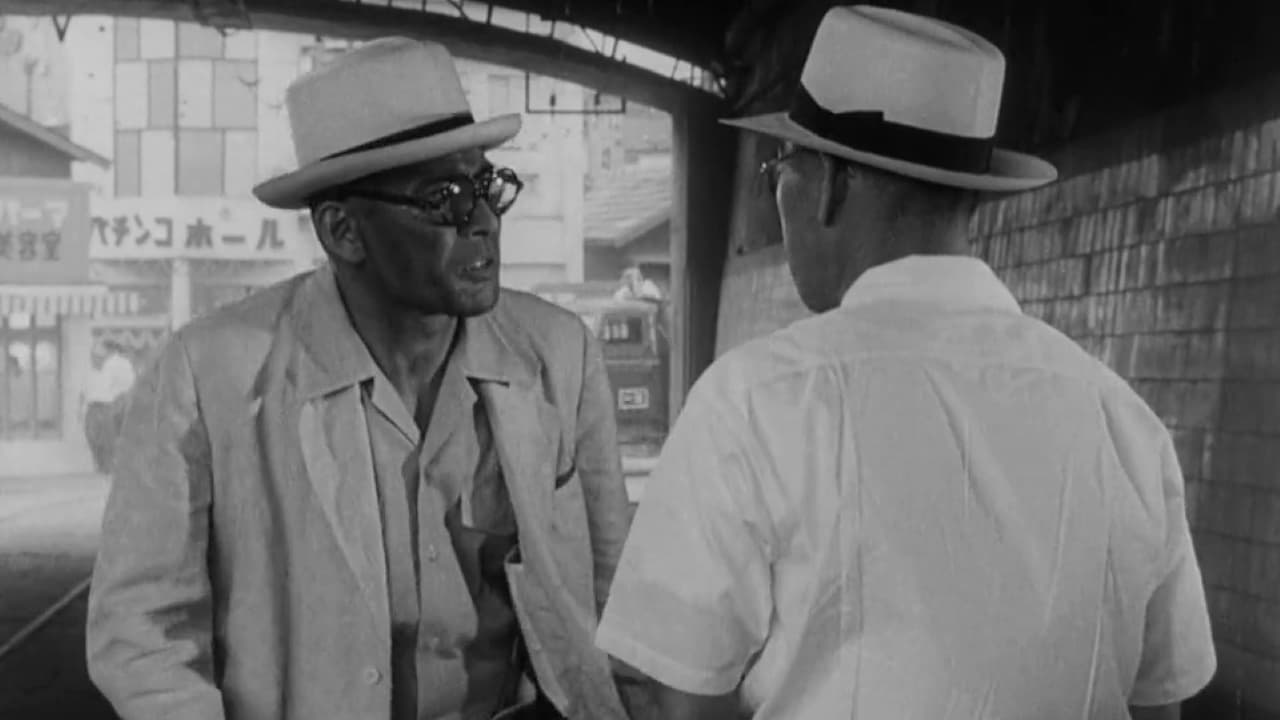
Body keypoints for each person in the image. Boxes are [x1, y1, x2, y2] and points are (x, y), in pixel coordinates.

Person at [595, 6, 1216, 720]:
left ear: (829, 185)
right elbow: (1159, 705)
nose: (779, 192)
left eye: (780, 169)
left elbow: (682, 698)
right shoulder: (1121, 419)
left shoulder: (757, 401)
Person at [88, 37, 638, 720]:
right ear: (343, 231)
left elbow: (616, 592)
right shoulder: (211, 373)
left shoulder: (558, 354)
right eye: (444, 198)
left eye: (485, 186)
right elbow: (140, 631)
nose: (484, 222)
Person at [82, 339, 136, 474]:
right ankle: (109, 466)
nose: (98, 358)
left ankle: (108, 467)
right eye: (96, 356)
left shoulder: (113, 364)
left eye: (100, 354)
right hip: (111, 403)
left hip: (112, 404)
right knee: (105, 437)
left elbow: (115, 386)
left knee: (106, 438)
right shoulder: (118, 364)